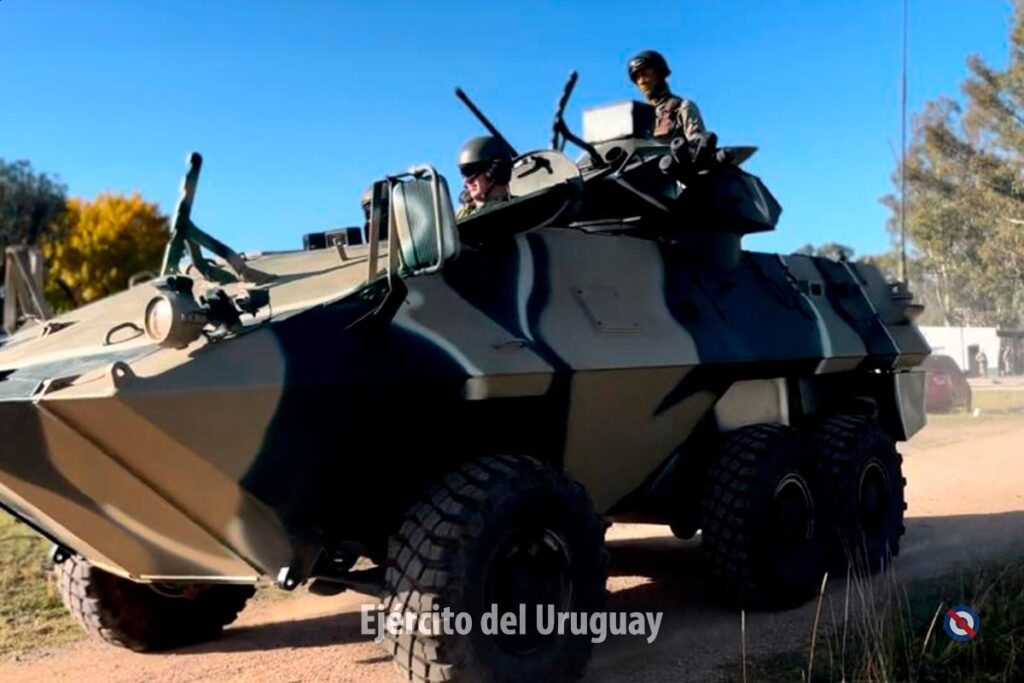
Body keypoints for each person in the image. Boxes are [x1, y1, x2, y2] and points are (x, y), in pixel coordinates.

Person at [627, 49, 707, 142]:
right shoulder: (640, 119)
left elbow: (698, 146)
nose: (641, 81)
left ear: (659, 73)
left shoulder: (682, 108)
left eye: (645, 74)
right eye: (637, 78)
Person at [455, 135, 513, 219]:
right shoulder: (458, 217)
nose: (466, 182)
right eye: (463, 174)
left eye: (469, 172)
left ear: (495, 171)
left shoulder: (524, 211)